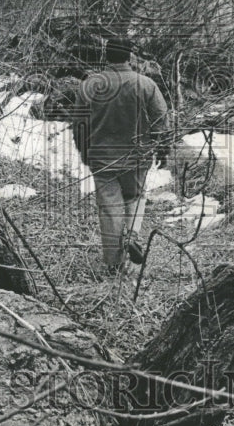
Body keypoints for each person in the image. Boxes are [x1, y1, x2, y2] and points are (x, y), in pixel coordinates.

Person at [72, 38, 170, 276]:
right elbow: (161, 119)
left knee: (109, 208)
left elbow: (79, 125)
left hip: (102, 158)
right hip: (137, 157)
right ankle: (132, 236)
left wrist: (86, 153)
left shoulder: (90, 85)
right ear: (130, 57)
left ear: (106, 57)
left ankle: (114, 264)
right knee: (135, 197)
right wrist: (162, 148)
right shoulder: (145, 84)